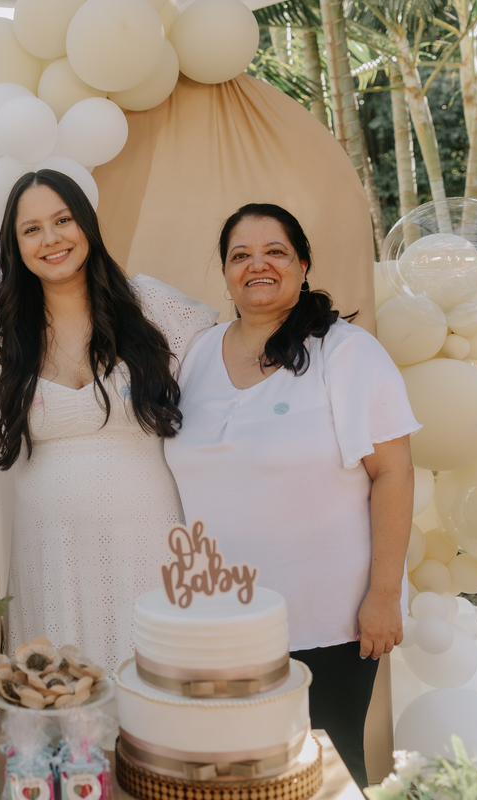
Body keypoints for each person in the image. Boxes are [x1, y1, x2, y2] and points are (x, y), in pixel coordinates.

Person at [163, 203, 417, 788]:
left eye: (274, 251)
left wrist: (384, 594)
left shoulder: (345, 352)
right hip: (223, 622)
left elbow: (394, 473)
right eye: (241, 255)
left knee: (324, 777)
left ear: (303, 265)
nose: (258, 265)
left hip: (327, 621)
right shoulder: (197, 354)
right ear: (225, 273)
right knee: (235, 777)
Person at [0, 169, 217, 673]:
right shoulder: (3, 329)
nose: (51, 238)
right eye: (31, 229)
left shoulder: (150, 305)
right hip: (50, 548)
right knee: (61, 691)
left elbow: (229, 369)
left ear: (86, 223)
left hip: (151, 536)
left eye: (63, 220)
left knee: (157, 684)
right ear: (15, 245)